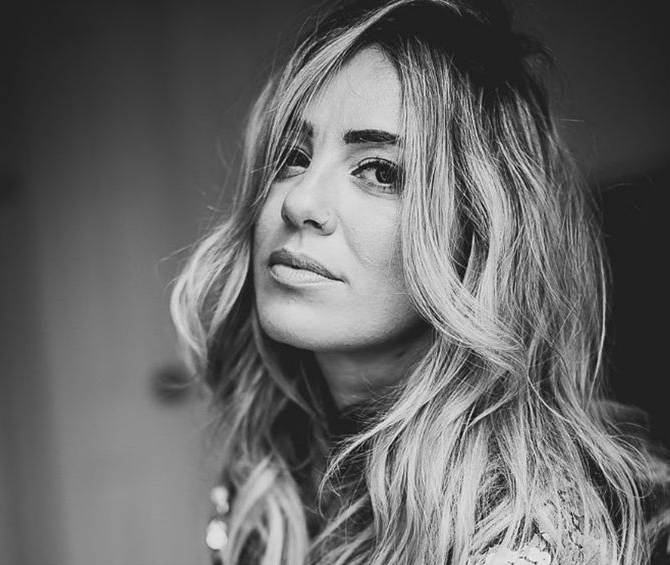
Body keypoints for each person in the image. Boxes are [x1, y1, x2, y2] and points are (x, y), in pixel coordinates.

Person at [170, 0, 669, 563]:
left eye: (380, 171)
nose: (300, 201)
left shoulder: (530, 531)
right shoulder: (268, 484)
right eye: (293, 156)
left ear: (476, 237)